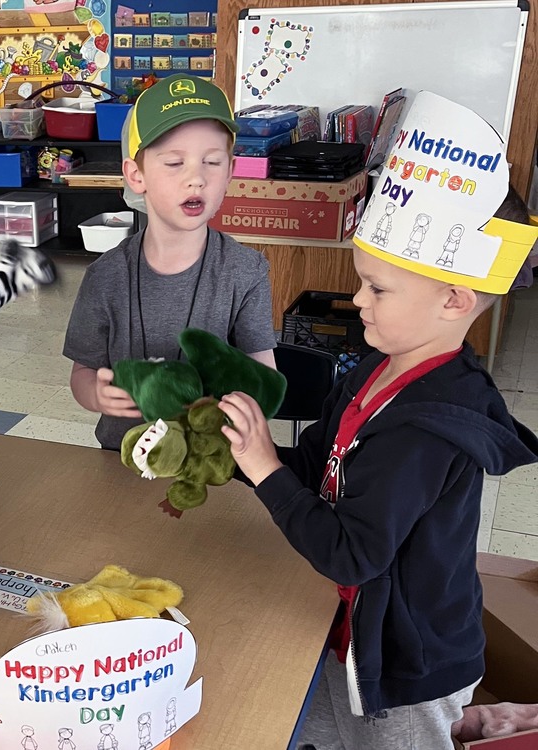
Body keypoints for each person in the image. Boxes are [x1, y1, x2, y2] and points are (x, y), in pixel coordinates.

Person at [216, 91, 538, 749]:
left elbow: (353, 552)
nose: (357, 299)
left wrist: (265, 472)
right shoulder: (374, 365)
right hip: (357, 628)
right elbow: (316, 462)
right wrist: (242, 455)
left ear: (454, 299)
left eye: (379, 288)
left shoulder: (426, 429)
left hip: (407, 663)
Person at [63, 73, 277, 451]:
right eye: (175, 163)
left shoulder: (246, 272)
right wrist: (96, 396)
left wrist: (238, 405)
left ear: (230, 171)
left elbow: (262, 372)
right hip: (123, 458)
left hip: (212, 463)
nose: (196, 178)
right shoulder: (105, 277)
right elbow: (82, 373)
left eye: (212, 162)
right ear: (136, 175)